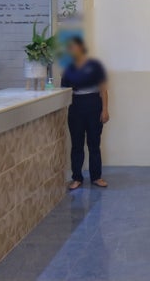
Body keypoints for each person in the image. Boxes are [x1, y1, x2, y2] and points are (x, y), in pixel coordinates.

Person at [61, 37, 110, 190]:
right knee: (77, 144)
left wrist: (105, 109)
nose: (72, 50)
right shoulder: (68, 68)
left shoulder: (94, 66)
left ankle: (96, 177)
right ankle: (77, 178)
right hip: (76, 106)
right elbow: (64, 91)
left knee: (94, 143)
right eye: (70, 48)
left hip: (94, 105)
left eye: (75, 47)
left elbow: (103, 89)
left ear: (81, 47)